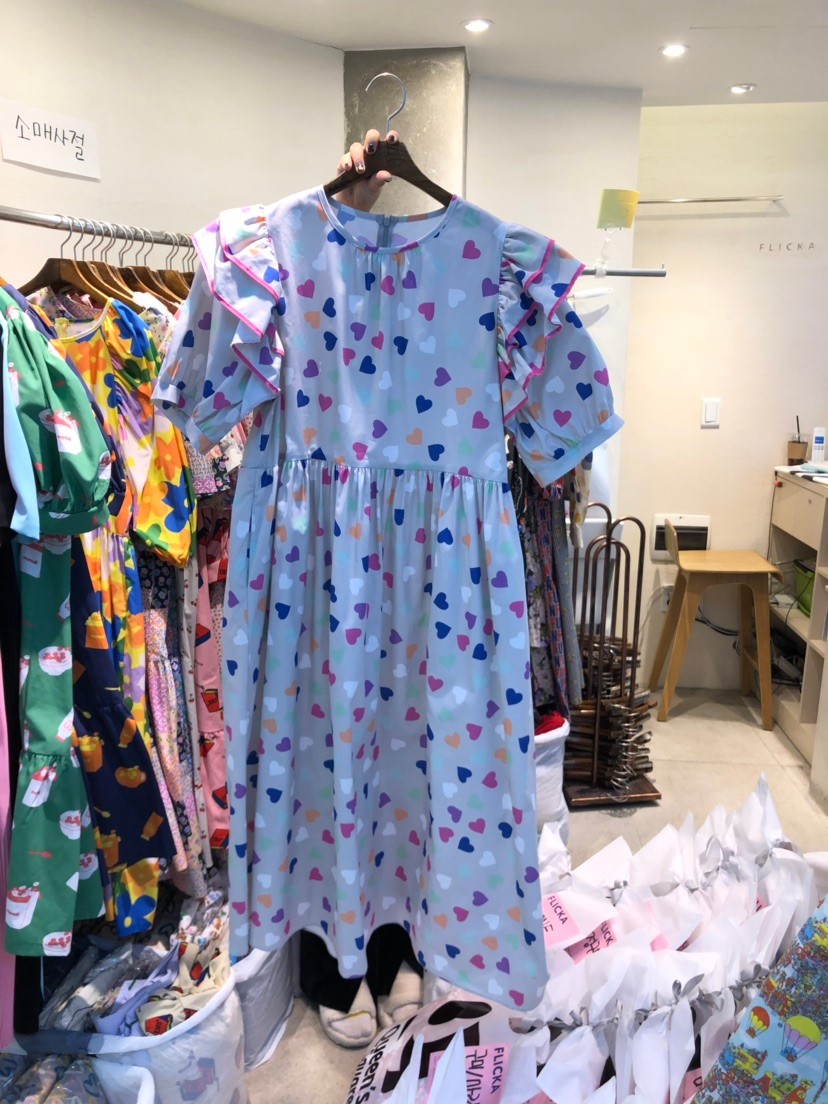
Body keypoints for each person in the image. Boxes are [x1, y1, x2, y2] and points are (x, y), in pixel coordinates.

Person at [298, 129, 426, 1050]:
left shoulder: (486, 261)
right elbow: (203, 394)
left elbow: (562, 415)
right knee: (324, 751)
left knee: (408, 752)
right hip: (318, 560)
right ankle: (328, 959)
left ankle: (394, 943)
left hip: (424, 568)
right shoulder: (277, 255)